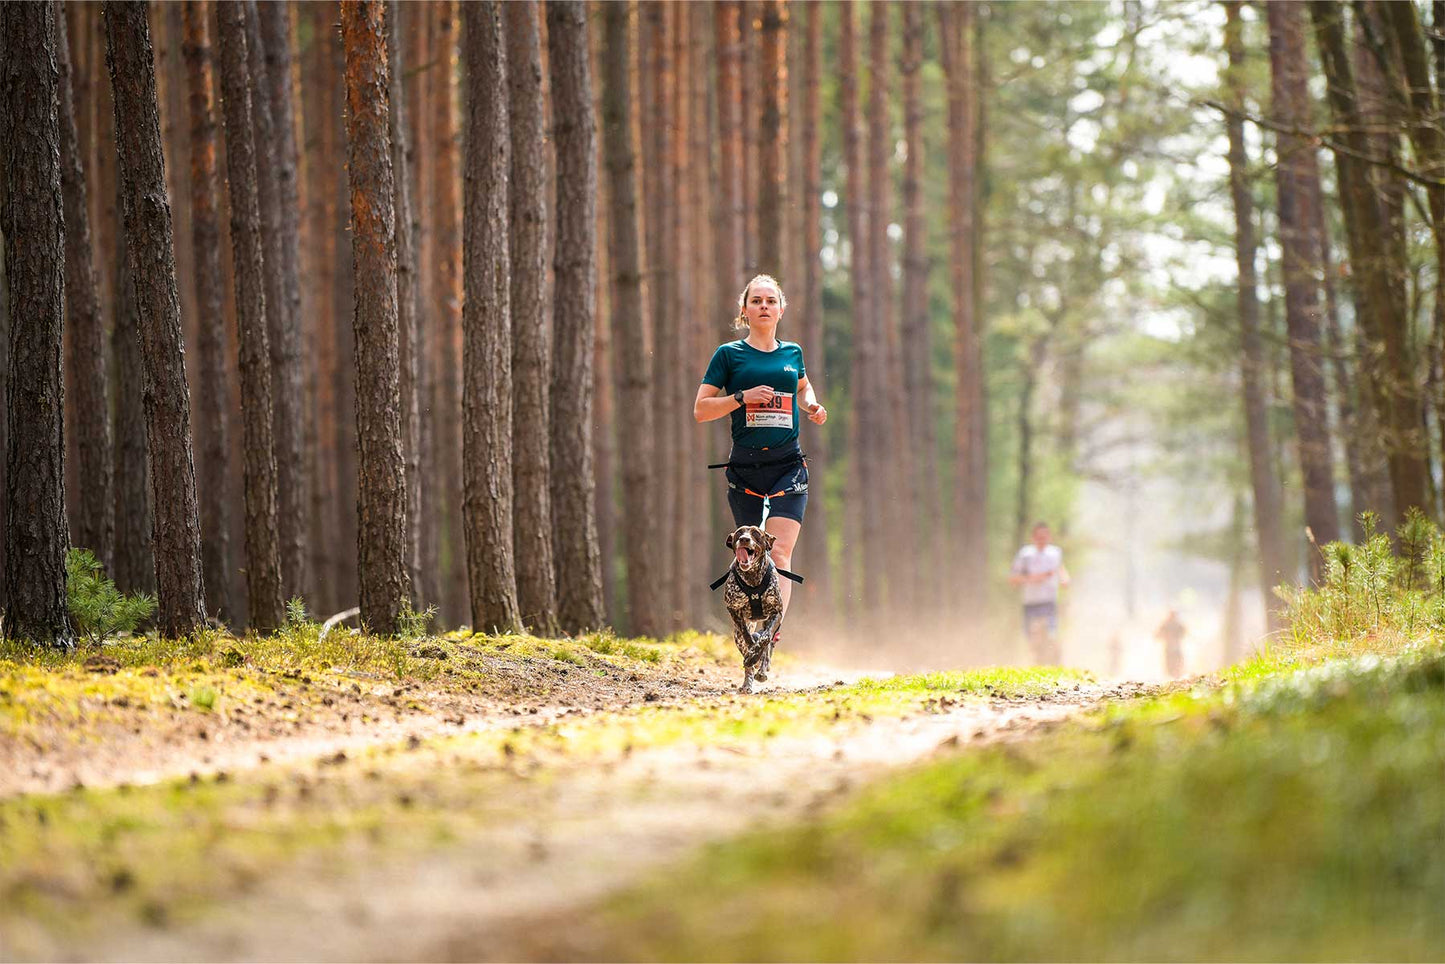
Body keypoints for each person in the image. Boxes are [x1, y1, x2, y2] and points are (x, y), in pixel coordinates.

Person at [694, 274, 827, 632]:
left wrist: (811, 405)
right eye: (757, 301)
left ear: (781, 309)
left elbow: (803, 385)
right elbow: (701, 409)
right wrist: (741, 397)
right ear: (745, 311)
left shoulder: (792, 352)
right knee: (750, 556)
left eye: (771, 301)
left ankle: (769, 630)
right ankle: (748, 624)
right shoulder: (729, 355)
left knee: (780, 551)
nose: (764, 306)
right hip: (745, 469)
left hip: (788, 465)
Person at [1008, 521, 1071, 664]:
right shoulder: (1025, 555)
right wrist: (1035, 578)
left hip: (1049, 600)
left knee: (1051, 634)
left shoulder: (1055, 553)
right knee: (1032, 638)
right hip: (1030, 602)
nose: (1042, 540)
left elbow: (1060, 568)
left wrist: (1065, 578)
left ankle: (1054, 661)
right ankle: (1038, 661)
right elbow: (1013, 578)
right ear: (1033, 537)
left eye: (1045, 536)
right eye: (1039, 537)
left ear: (1049, 537)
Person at [1155, 608, 1186, 677]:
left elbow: (1184, 632)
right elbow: (1157, 635)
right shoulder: (1165, 624)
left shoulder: (1178, 625)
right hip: (1169, 648)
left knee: (1178, 665)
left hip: (1175, 648)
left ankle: (1177, 675)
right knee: (1170, 666)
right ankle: (1172, 676)